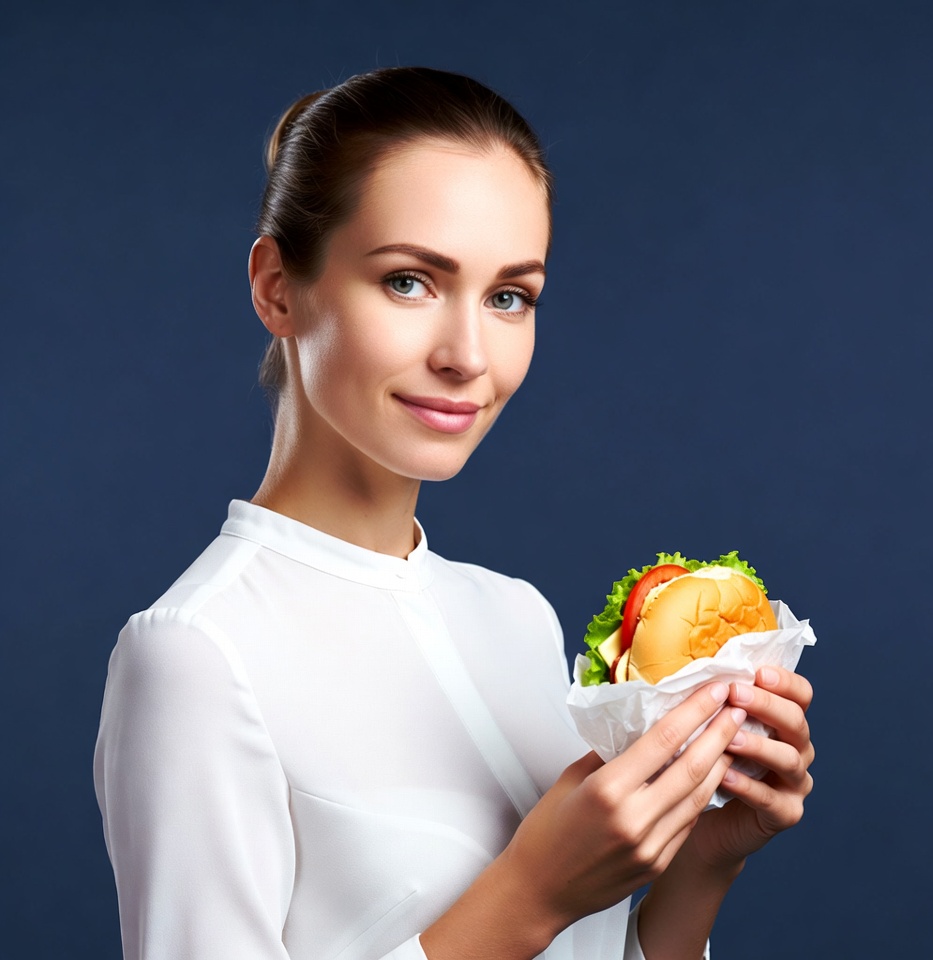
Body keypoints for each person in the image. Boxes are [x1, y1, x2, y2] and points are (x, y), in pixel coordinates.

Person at [94, 66, 814, 960]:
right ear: (278, 287)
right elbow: (533, 913)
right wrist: (529, 896)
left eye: (509, 297)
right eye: (409, 282)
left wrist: (702, 864)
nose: (468, 355)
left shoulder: (515, 615)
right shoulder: (195, 653)